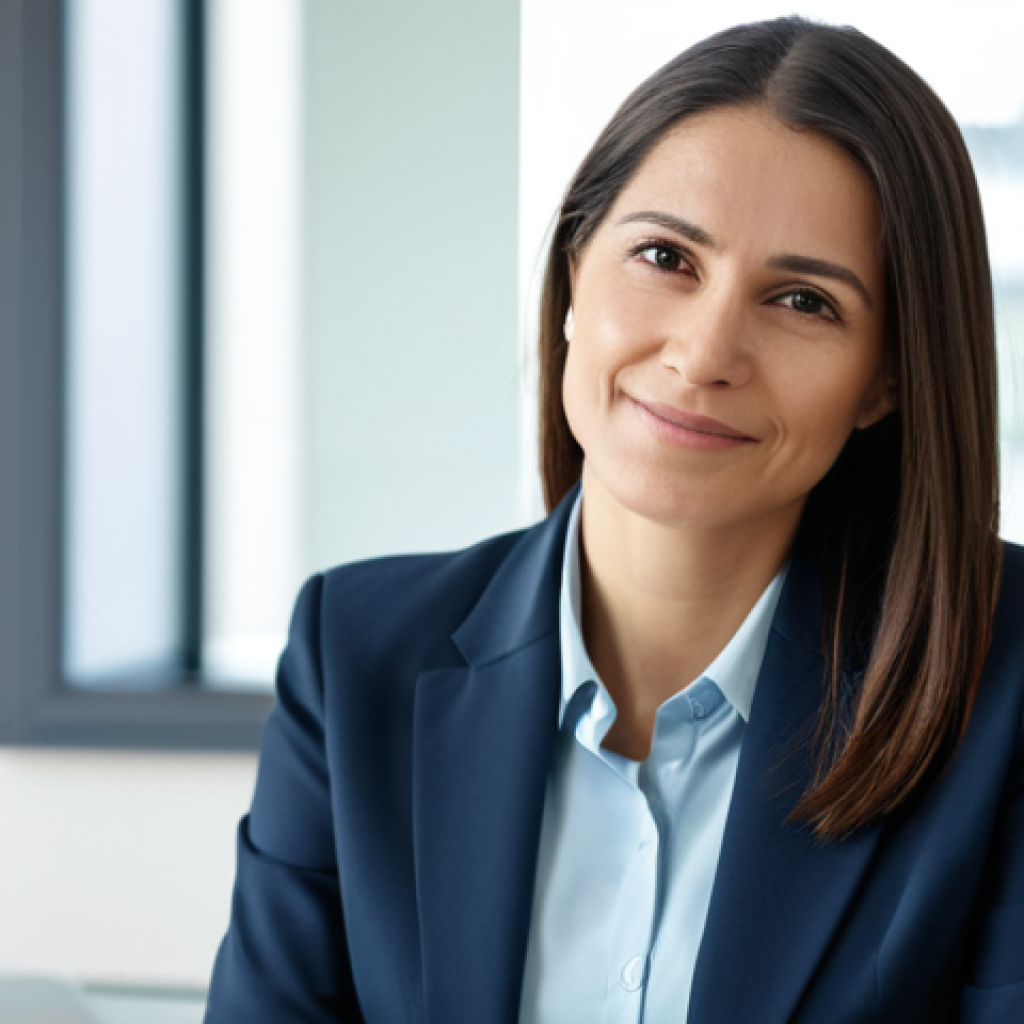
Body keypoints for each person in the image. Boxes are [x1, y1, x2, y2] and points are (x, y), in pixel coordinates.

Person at [204, 16, 1023, 1024]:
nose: (703, 350)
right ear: (573, 274)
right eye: (665, 257)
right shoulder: (355, 655)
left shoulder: (1007, 685)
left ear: (885, 379)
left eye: (803, 301)